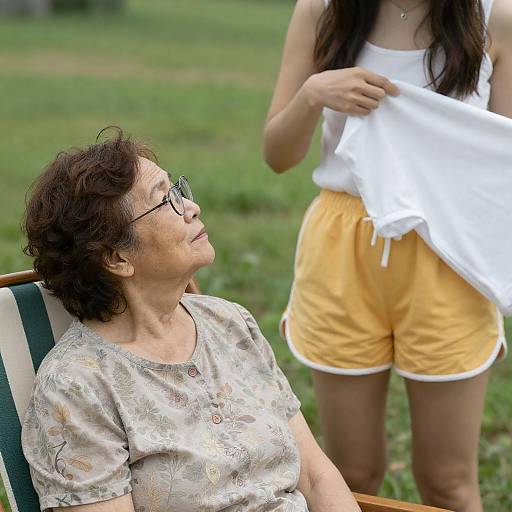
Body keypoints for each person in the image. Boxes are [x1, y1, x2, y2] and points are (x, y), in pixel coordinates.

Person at [21, 129, 361, 512]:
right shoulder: (78, 386)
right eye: (164, 200)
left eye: (178, 189)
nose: (190, 208)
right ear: (117, 258)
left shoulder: (229, 323)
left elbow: (315, 477)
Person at [263, 1, 512, 511]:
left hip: (448, 251)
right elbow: (278, 155)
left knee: (448, 481)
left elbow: (502, 162)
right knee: (351, 474)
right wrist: (314, 94)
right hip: (343, 250)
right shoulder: (322, 10)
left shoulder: (496, 16)